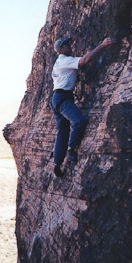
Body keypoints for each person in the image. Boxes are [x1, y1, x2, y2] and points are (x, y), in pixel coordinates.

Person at [51, 36, 113, 177]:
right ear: (61, 49)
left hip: (58, 98)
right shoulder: (65, 60)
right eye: (66, 45)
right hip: (63, 98)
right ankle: (71, 149)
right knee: (79, 121)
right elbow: (84, 60)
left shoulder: (58, 63)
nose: (70, 46)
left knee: (62, 132)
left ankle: (57, 164)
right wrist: (102, 45)